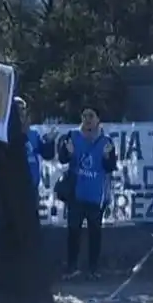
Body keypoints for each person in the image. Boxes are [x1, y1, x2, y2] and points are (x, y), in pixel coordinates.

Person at [56, 108, 118, 279]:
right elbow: (62, 159)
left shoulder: (106, 141)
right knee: (73, 231)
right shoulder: (72, 136)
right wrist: (67, 152)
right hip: (76, 193)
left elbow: (111, 167)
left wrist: (107, 157)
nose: (87, 119)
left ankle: (93, 269)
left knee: (95, 233)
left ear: (98, 119)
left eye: (91, 116)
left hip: (96, 195)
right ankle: (72, 267)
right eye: (84, 116)